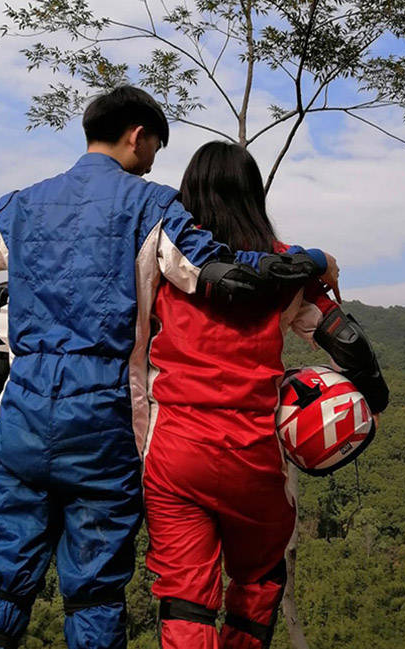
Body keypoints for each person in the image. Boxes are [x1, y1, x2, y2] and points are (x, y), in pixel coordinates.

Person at [0, 86, 339, 649]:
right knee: (93, 598)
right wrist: (310, 260)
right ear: (137, 135)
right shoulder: (152, 206)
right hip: (105, 425)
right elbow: (227, 278)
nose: (155, 161)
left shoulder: (21, 204)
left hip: (21, 417)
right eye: (156, 147)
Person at [142, 141, 351, 649]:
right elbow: (348, 343)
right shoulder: (289, 267)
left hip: (174, 453)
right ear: (254, 196)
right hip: (252, 455)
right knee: (259, 582)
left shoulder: (170, 262)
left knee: (186, 602)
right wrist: (371, 401)